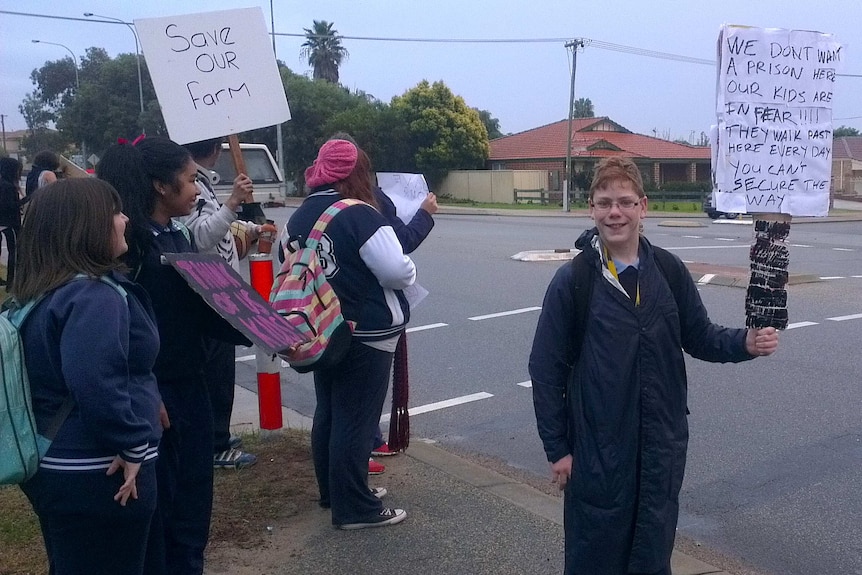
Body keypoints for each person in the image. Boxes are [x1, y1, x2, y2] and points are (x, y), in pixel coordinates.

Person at [529, 156, 779, 575]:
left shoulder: (667, 270)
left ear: (642, 207)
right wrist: (559, 449)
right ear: (591, 208)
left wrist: (746, 342)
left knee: (651, 552)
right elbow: (545, 370)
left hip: (661, 447)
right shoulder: (574, 281)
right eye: (605, 202)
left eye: (625, 202)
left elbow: (700, 335)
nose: (615, 213)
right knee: (596, 555)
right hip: (598, 452)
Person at [97, 136, 250, 575]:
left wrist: (270, 331)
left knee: (193, 499)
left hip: (190, 386)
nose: (197, 191)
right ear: (161, 187)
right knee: (164, 510)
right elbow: (119, 334)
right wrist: (143, 393)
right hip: (157, 400)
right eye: (188, 181)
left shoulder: (176, 235)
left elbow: (202, 311)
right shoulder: (134, 250)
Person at [12, 178, 161, 575]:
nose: (125, 218)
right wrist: (132, 444)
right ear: (86, 225)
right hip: (101, 470)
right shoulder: (95, 296)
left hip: (56, 464)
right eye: (114, 211)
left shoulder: (43, 292)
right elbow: (96, 381)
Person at [285, 139, 415, 529]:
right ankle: (355, 508)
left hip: (321, 329)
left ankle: (334, 492)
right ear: (358, 172)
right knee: (356, 420)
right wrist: (411, 271)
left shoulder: (300, 215)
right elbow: (396, 271)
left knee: (329, 412)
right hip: (368, 331)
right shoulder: (361, 214)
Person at [178, 137, 262, 470]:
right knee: (216, 372)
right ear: (215, 151)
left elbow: (217, 229)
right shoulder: (195, 184)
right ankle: (216, 444)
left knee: (218, 369)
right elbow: (200, 236)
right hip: (210, 292)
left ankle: (218, 435)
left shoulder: (199, 182)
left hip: (217, 290)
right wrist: (232, 203)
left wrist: (250, 227)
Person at [368, 182, 437, 465]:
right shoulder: (367, 207)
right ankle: (357, 464)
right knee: (362, 395)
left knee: (336, 396)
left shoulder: (316, 206)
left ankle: (357, 454)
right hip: (367, 315)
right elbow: (399, 253)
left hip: (327, 310)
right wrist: (425, 214)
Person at [0, 157, 23, 286]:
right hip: (10, 223)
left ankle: (9, 281)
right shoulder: (8, 186)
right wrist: (27, 200)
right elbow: (9, 205)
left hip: (4, 222)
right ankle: (12, 281)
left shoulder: (3, 183)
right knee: (14, 251)